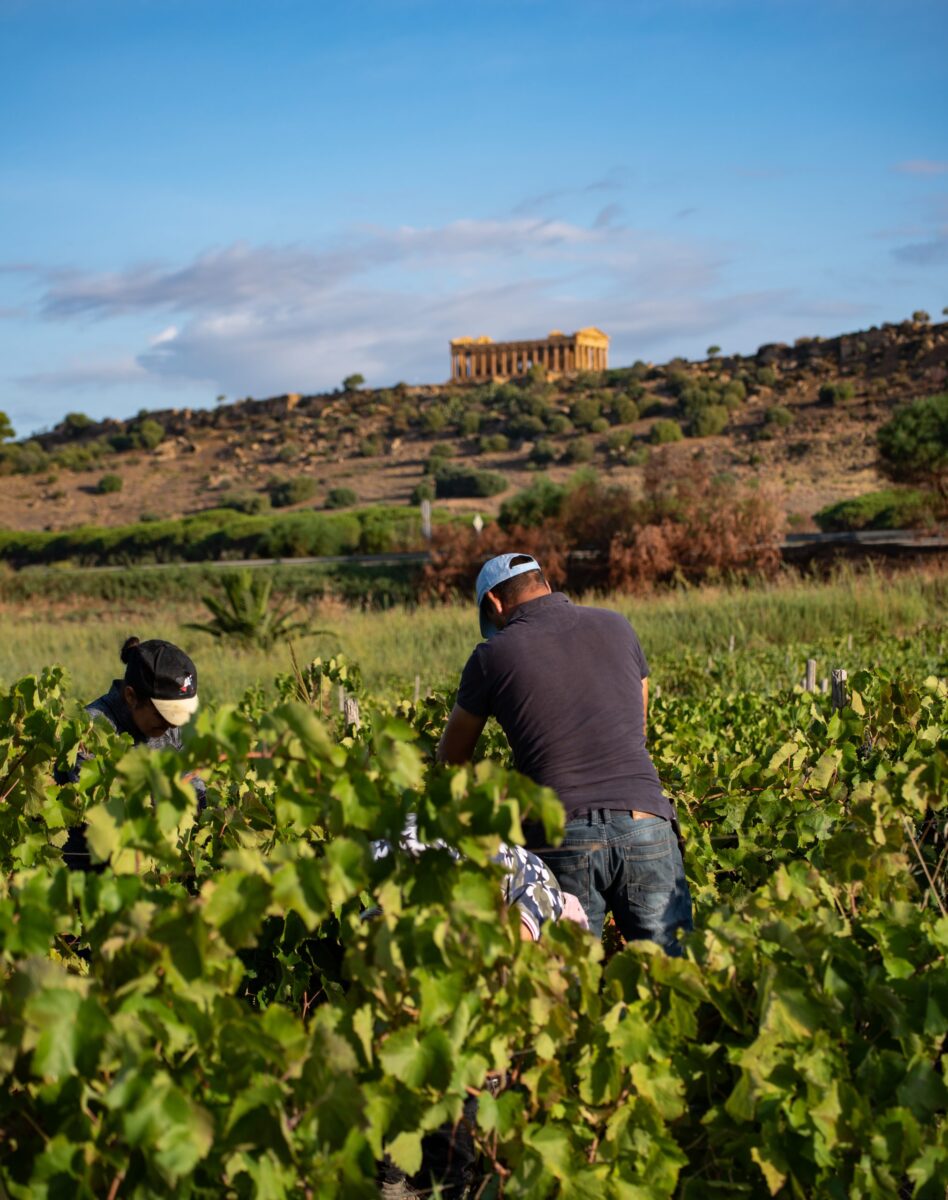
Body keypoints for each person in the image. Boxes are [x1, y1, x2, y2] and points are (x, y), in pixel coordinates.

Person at [438, 553, 693, 956]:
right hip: (645, 820)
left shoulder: (491, 656)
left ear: (494, 603)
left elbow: (451, 759)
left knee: (567, 991)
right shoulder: (617, 625)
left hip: (561, 834)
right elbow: (637, 722)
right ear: (545, 583)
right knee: (674, 978)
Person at [57, 636, 203, 868]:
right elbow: (101, 813)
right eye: (165, 716)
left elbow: (193, 787)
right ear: (131, 697)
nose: (173, 725)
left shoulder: (171, 726)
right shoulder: (90, 730)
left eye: (179, 715)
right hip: (90, 872)